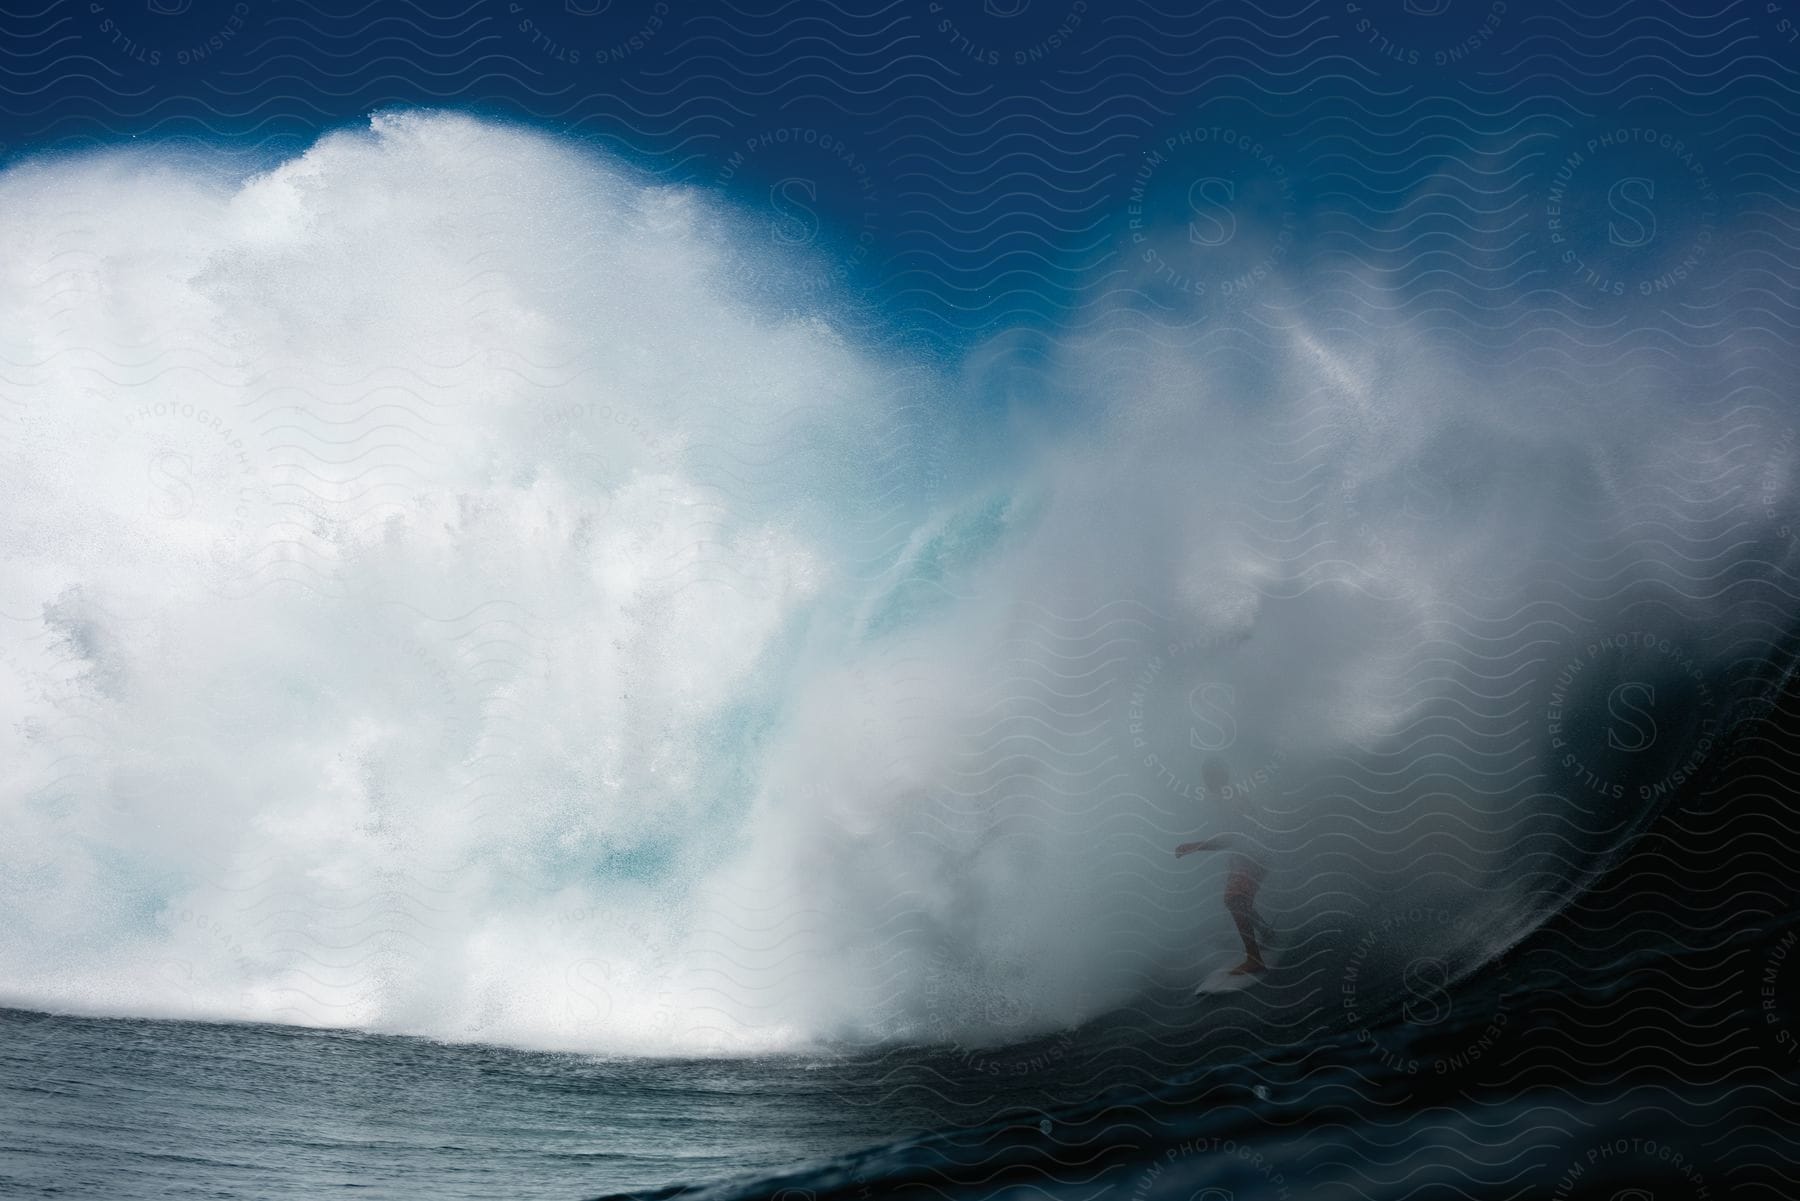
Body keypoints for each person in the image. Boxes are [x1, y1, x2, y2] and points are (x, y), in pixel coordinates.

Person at [1174, 756, 1274, 976]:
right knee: (1239, 898)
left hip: (1254, 855)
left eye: (1211, 775)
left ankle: (1254, 958)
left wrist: (1197, 845)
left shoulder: (1232, 799)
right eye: (1205, 775)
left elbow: (1235, 836)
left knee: (1235, 898)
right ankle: (1267, 932)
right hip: (1243, 856)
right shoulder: (1223, 798)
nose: (1207, 780)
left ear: (1222, 776)